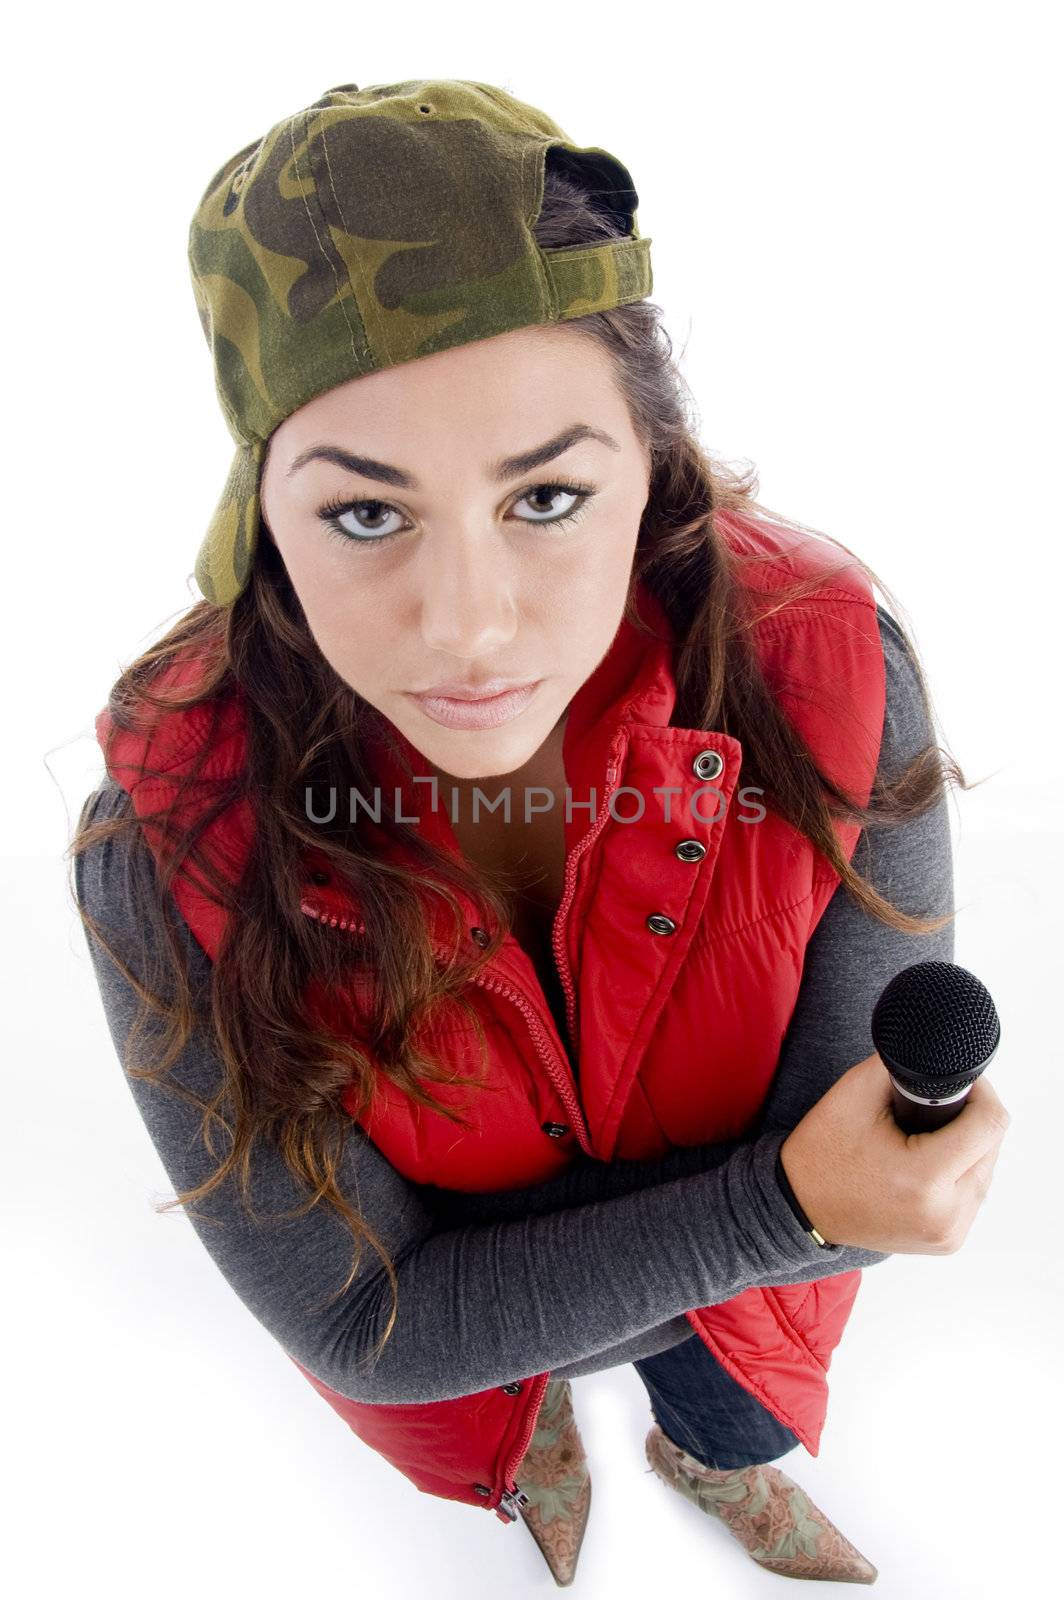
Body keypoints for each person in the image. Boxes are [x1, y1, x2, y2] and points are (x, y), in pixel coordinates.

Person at [69, 79, 1010, 1588]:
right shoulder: (162, 847)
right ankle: (544, 1453)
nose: (469, 625)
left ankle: (710, 1455)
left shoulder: (827, 671)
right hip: (494, 1369)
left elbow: (866, 1192)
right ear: (264, 517)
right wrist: (773, 1204)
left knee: (726, 1403)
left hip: (734, 1320)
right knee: (492, 1406)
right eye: (366, 516)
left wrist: (508, 1279)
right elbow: (369, 1330)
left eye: (550, 495)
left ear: (655, 463)